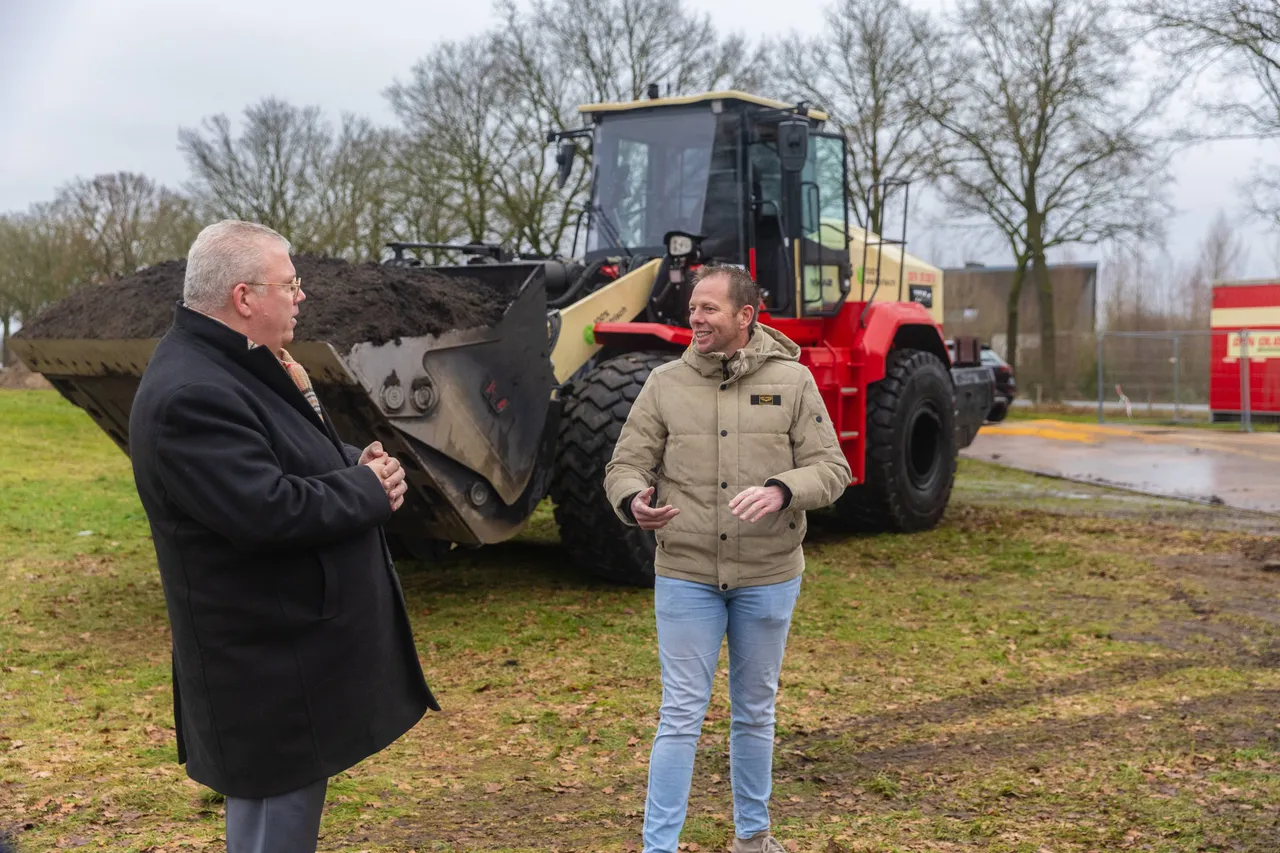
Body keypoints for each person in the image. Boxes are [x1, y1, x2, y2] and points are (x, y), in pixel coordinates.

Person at [128, 220, 437, 853]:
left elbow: (281, 453)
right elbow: (264, 510)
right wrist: (368, 490)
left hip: (283, 659)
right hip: (265, 670)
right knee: (273, 829)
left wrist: (352, 463)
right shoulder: (194, 392)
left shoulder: (233, 363)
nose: (301, 296)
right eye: (289, 284)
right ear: (244, 297)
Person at [604, 264, 853, 853]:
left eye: (709, 308)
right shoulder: (664, 383)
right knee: (680, 714)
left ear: (745, 315)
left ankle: (753, 838)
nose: (695, 317)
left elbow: (832, 469)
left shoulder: (792, 381)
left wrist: (783, 490)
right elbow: (625, 464)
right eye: (693, 307)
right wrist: (632, 498)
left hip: (768, 575)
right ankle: (658, 848)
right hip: (686, 573)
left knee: (755, 712)